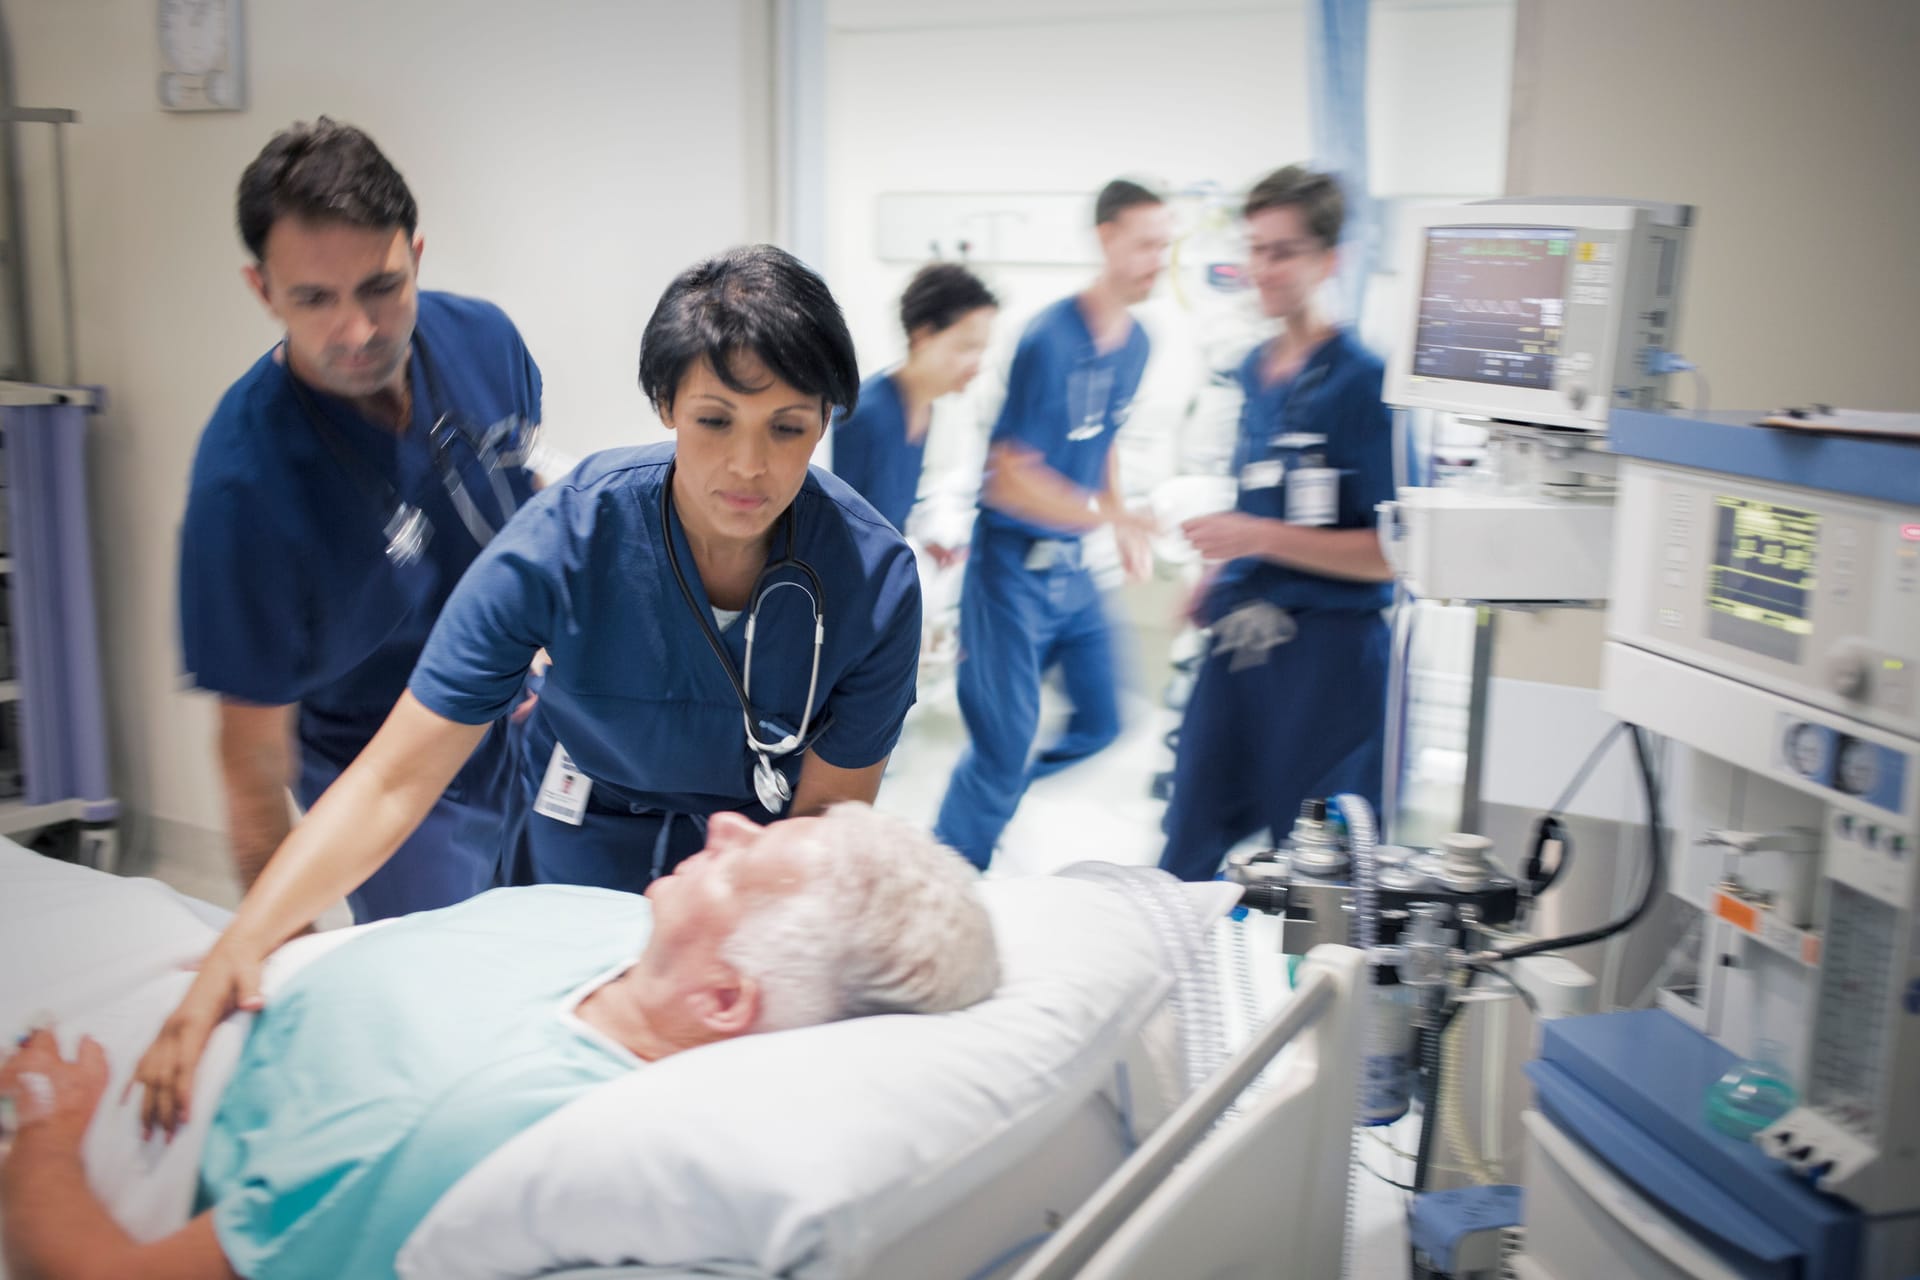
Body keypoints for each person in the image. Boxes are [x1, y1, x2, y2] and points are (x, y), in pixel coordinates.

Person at [131, 244, 924, 1136]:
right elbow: (396, 777)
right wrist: (242, 945)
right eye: (714, 420)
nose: (748, 466)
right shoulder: (571, 536)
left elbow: (821, 831)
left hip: (745, 867)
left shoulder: (874, 582)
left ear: (825, 424)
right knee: (530, 1079)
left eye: (788, 427)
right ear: (665, 406)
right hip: (576, 829)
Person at [0, 805, 1000, 1280]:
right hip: (207, 960)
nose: (729, 820)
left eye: (750, 858)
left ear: (727, 997)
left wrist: (50, 1130)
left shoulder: (459, 1130)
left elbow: (99, 1271)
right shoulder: (620, 928)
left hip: (120, 1073)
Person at [178, 118, 547, 922]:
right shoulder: (244, 485)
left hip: (524, 710)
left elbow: (526, 495)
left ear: (415, 256)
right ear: (262, 290)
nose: (358, 332)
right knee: (439, 982)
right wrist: (283, 954)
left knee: (571, 941)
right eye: (314, 299)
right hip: (381, 762)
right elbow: (250, 760)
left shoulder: (486, 341)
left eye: (381, 287)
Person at [1158, 166, 1396, 882]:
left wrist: (1254, 539)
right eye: (1256, 249)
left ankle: (1313, 993)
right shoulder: (1255, 372)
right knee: (1187, 842)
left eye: (1283, 251)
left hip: (1328, 658)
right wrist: (1216, 573)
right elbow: (1259, 500)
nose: (1263, 269)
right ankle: (1178, 987)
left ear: (1330, 260)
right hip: (1242, 642)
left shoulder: (1365, 383)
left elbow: (1390, 553)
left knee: (1320, 876)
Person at [932, 180, 1169, 871]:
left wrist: (1117, 518)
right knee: (1002, 746)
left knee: (1105, 720)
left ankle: (997, 796)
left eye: (1166, 244)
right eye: (1146, 243)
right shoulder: (1049, 338)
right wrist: (1112, 515)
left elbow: (1104, 437)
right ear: (1107, 239)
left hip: (1072, 567)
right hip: (1009, 569)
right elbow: (1007, 475)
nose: (1160, 258)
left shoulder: (1137, 343)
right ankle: (949, 877)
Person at [831, 262, 999, 554]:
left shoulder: (924, 408)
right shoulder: (864, 416)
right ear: (922, 337)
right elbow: (830, 522)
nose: (977, 364)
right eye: (965, 347)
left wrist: (927, 542)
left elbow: (882, 514)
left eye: (981, 350)